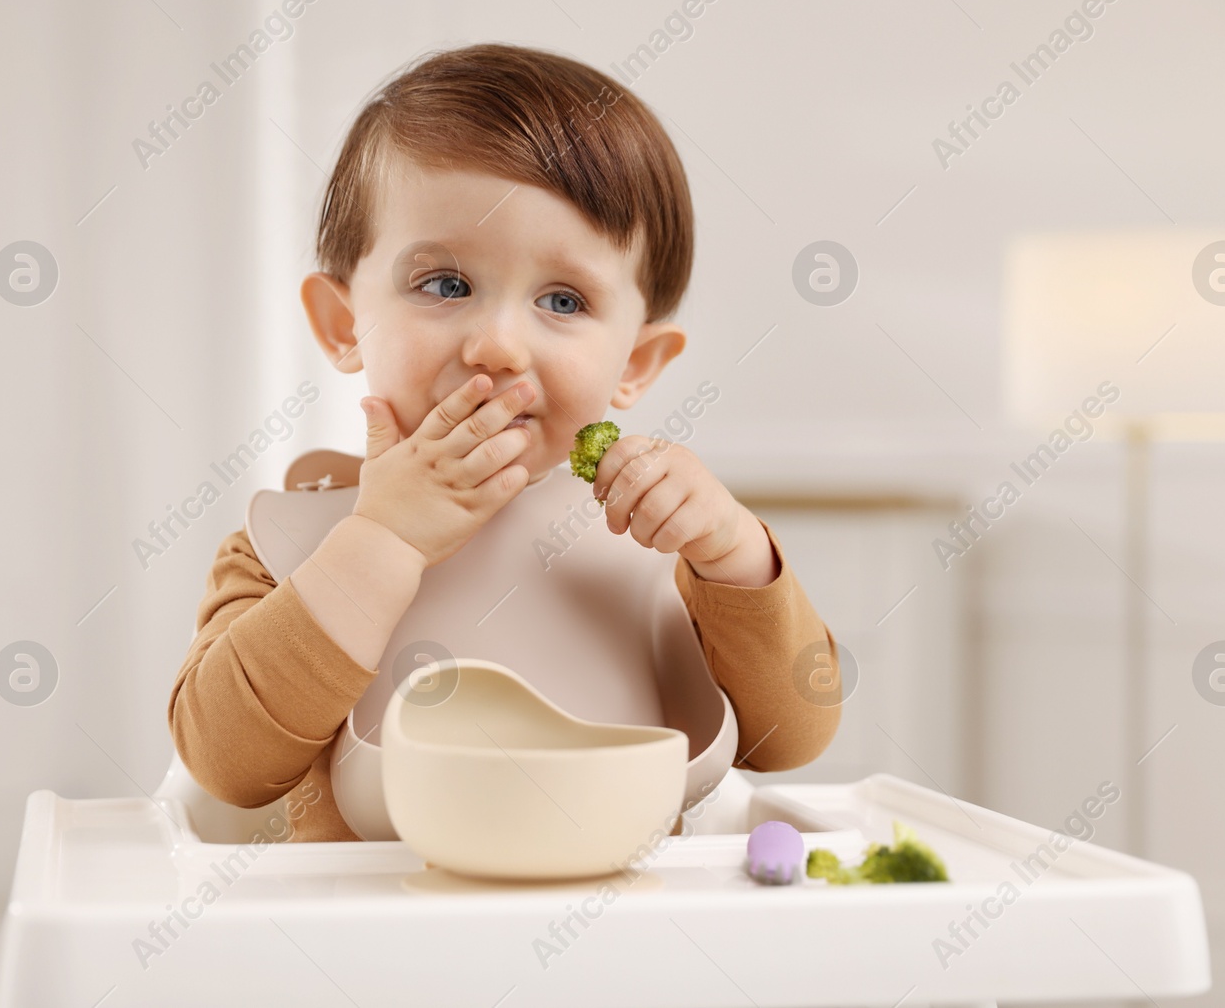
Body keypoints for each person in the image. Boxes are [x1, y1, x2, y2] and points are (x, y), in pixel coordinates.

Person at [169, 43, 840, 841]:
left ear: (634, 363)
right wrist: (380, 540)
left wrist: (733, 553)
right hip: (369, 950)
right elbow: (226, 763)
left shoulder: (663, 543)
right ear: (344, 324)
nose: (497, 344)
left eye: (563, 299)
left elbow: (790, 739)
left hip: (633, 947)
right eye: (445, 284)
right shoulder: (283, 548)